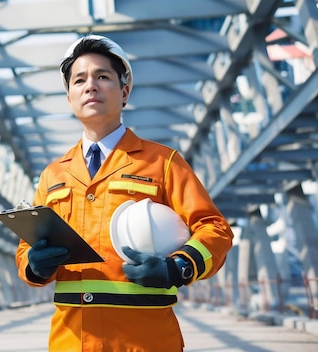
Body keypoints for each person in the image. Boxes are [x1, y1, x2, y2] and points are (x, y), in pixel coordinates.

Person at [14, 34, 234, 351]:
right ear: (69, 97)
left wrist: (179, 267)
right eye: (79, 80)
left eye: (103, 76)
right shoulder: (53, 175)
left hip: (145, 341)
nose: (90, 86)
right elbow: (25, 247)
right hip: (71, 341)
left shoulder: (163, 162)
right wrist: (34, 265)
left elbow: (215, 228)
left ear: (125, 92)